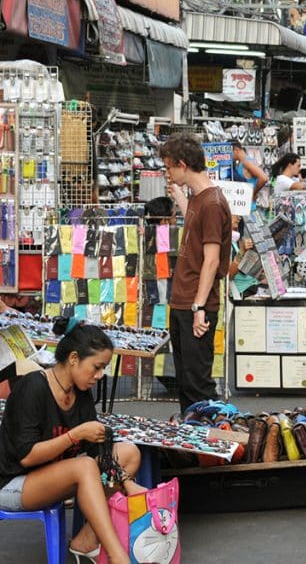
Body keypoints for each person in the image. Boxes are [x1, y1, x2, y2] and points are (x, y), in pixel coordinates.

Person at [0, 318, 145, 564]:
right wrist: (74, 435)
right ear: (74, 359)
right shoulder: (32, 388)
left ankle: (87, 539)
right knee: (84, 466)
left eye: (104, 369)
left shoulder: (82, 394)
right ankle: (118, 556)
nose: (99, 376)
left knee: (129, 453)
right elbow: (27, 456)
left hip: (52, 476)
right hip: (12, 484)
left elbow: (96, 451)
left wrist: (126, 481)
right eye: (96, 367)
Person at [160, 134, 231, 414]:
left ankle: (212, 440)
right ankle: (193, 441)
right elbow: (197, 226)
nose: (168, 172)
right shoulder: (200, 199)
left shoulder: (212, 202)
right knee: (187, 382)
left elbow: (211, 261)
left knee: (198, 384)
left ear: (182, 163)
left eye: (169, 167)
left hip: (195, 303)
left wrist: (199, 306)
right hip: (184, 300)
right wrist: (179, 197)